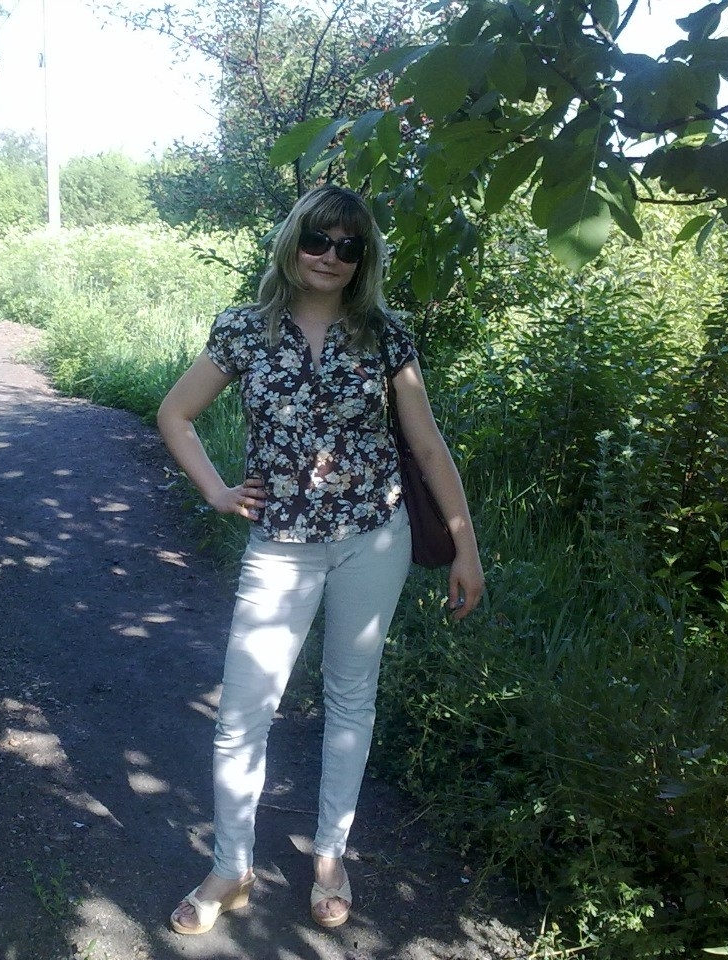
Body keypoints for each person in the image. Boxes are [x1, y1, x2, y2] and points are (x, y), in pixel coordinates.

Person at [157, 183, 484, 935]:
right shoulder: (244, 329)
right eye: (317, 239)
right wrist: (216, 491)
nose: (330, 256)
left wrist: (465, 547)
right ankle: (230, 868)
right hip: (280, 548)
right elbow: (175, 413)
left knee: (350, 699)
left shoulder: (384, 334)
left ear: (363, 258)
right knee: (243, 712)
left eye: (348, 246)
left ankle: (330, 855)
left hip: (375, 538)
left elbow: (427, 445)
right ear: (293, 241)